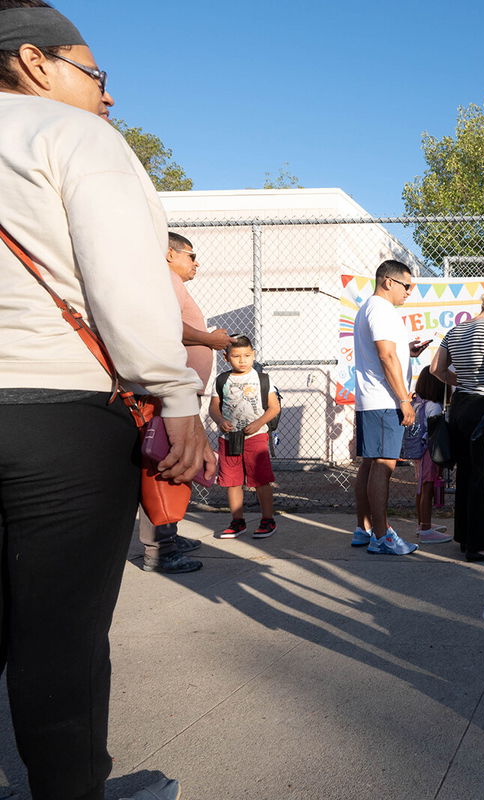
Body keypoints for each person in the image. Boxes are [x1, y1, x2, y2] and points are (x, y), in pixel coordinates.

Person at [0, 4, 213, 799]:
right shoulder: (74, 137)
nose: (109, 97)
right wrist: (175, 393)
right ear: (33, 62)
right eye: (96, 75)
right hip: (59, 413)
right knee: (61, 639)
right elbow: (126, 284)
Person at [137, 231, 233, 573]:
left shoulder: (170, 283)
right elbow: (166, 327)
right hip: (170, 397)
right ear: (168, 253)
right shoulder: (163, 280)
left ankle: (168, 536)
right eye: (190, 255)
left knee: (176, 464)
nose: (196, 263)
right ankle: (159, 549)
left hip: (180, 397)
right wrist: (211, 339)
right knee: (166, 464)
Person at [350, 259, 429, 556]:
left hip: (373, 400)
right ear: (388, 281)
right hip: (384, 401)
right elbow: (385, 356)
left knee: (371, 463)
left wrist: (408, 351)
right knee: (384, 465)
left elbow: (387, 351)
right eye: (407, 285)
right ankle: (382, 536)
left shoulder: (370, 309)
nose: (409, 291)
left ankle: (364, 528)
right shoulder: (381, 310)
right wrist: (404, 400)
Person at [430, 290, 484, 561]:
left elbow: (436, 369)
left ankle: (465, 537)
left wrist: (463, 381)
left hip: (462, 404)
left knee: (466, 471)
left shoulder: (456, 330)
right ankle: (480, 544)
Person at [210, 336, 280, 539]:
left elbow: (274, 407)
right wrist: (220, 420)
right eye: (236, 356)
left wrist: (259, 423)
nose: (242, 360)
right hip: (229, 438)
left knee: (261, 479)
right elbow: (214, 408)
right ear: (226, 357)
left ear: (254, 355)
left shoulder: (262, 378)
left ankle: (268, 520)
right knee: (232, 481)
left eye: (247, 355)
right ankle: (237, 521)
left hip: (256, 436)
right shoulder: (222, 380)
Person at [409, 366, 453, 545]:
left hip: (418, 451)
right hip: (430, 451)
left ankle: (422, 524)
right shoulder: (434, 406)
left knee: (421, 487)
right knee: (427, 487)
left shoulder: (418, 402)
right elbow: (437, 431)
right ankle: (426, 529)